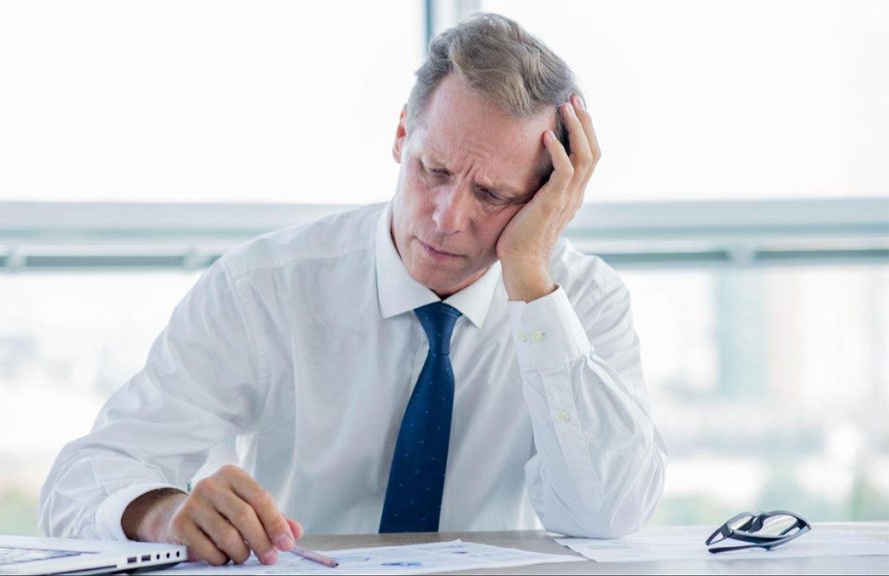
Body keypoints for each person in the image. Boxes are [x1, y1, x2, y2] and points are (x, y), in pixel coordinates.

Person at [39, 13, 667, 567]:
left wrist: (529, 277)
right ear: (401, 135)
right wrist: (161, 514)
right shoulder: (263, 288)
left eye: (493, 195)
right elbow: (77, 484)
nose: (448, 217)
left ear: (546, 195)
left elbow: (606, 514)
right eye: (434, 170)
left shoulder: (580, 303)